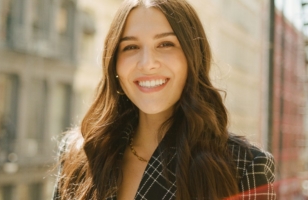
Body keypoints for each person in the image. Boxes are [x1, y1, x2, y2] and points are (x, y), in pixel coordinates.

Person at [52, 0, 276, 199]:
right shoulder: (79, 151)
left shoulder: (245, 166)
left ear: (192, 57)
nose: (147, 63)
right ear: (114, 64)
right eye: (131, 47)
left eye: (165, 44)